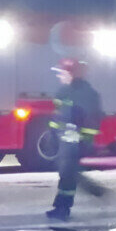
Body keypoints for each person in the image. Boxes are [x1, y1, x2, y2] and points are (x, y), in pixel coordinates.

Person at [46, 58, 107, 221]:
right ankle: (63, 204)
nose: (60, 76)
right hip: (64, 139)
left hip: (75, 141)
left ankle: (63, 208)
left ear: (71, 74)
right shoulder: (63, 91)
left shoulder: (88, 95)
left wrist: (84, 139)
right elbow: (58, 115)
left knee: (67, 173)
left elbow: (93, 120)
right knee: (66, 172)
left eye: (63, 73)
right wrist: (53, 133)